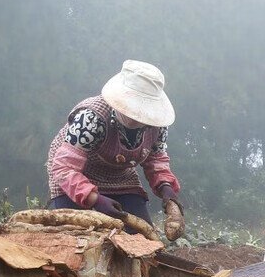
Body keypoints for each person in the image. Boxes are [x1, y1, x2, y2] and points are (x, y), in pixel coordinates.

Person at [45, 60, 184, 238]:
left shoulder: (157, 124)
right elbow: (64, 168)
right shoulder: (91, 117)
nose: (137, 117)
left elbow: (155, 159)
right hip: (73, 174)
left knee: (142, 239)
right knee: (80, 239)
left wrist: (166, 187)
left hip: (120, 176)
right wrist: (95, 199)